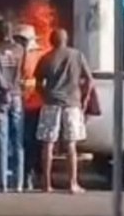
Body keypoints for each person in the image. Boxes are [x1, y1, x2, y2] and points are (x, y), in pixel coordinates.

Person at [35, 27, 94, 194]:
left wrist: (44, 95)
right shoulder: (77, 55)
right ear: (66, 39)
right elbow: (90, 80)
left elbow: (38, 82)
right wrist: (84, 99)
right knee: (71, 144)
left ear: (51, 41)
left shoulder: (46, 58)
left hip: (51, 104)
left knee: (48, 144)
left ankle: (46, 184)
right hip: (72, 105)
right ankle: (72, 184)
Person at [0, 18, 29, 193]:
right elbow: (21, 71)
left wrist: (4, 88)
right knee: (18, 140)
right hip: (16, 95)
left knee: (2, 140)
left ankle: (2, 183)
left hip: (0, 96)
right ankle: (19, 183)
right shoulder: (20, 49)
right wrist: (13, 88)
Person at [15, 25, 43, 190]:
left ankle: (33, 174)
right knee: (23, 142)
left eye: (21, 39)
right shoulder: (17, 54)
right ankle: (25, 175)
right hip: (21, 103)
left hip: (35, 104)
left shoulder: (38, 55)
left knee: (32, 142)